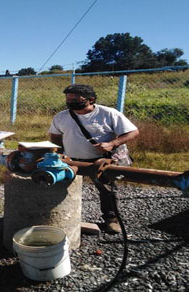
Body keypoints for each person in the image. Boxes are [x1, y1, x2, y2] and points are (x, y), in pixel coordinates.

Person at [48, 84, 139, 234]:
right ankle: (62, 217)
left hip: (100, 161)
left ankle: (111, 219)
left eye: (75, 99)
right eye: (68, 98)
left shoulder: (108, 113)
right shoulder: (61, 117)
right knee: (63, 186)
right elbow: (55, 136)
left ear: (90, 100)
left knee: (107, 190)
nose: (70, 101)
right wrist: (60, 153)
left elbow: (133, 132)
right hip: (72, 160)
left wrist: (112, 144)